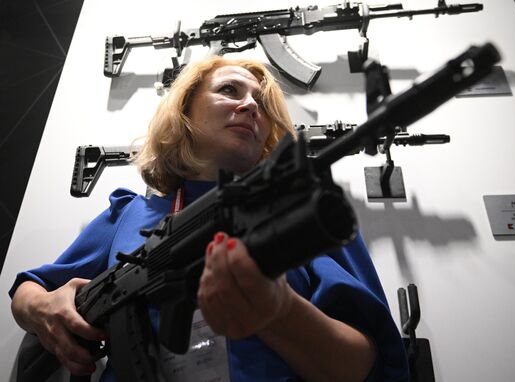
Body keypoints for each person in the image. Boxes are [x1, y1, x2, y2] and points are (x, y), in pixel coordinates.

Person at [10, 57, 408, 381]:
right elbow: (29, 287)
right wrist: (43, 309)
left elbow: (371, 367)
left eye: (262, 103)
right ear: (185, 111)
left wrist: (280, 313)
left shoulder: (305, 214)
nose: (252, 105)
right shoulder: (129, 212)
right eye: (229, 90)